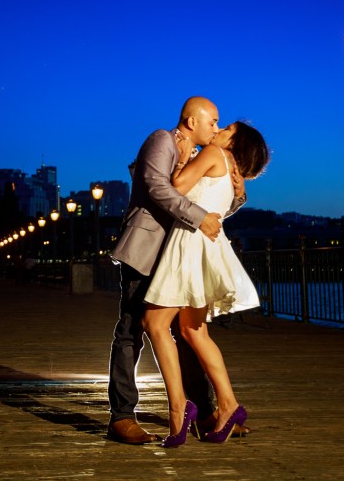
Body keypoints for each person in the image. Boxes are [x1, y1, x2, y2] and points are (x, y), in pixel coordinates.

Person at [106, 96, 247, 445]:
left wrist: (236, 196)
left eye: (219, 124)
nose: (216, 127)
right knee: (131, 330)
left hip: (179, 256)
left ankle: (202, 411)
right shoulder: (162, 140)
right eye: (212, 121)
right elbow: (157, 188)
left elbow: (205, 212)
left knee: (187, 332)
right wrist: (199, 216)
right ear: (190, 121)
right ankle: (122, 416)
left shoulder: (198, 156)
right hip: (148, 251)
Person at [141, 121, 270, 447]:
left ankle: (179, 409)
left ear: (235, 141)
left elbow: (179, 185)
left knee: (155, 322)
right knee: (192, 331)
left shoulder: (214, 153)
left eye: (226, 128)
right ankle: (228, 405)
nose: (219, 129)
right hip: (206, 245)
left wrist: (183, 157)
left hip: (189, 244)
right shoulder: (231, 172)